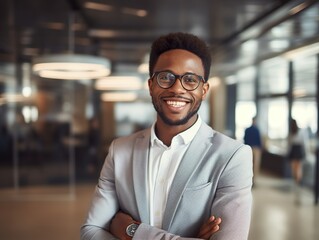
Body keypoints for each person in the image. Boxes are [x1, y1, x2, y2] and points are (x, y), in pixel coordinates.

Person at [81, 32, 253, 240]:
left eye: (190, 80)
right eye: (166, 78)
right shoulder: (120, 150)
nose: (177, 89)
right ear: (151, 85)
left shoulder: (232, 156)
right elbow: (90, 231)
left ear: (204, 90)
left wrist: (132, 231)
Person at [287, 119, 307, 204]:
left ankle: (296, 184)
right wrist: (305, 153)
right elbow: (304, 143)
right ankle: (298, 184)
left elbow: (289, 145)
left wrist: (288, 155)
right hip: (298, 152)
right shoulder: (300, 132)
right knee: (298, 170)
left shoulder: (291, 133)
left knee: (294, 170)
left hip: (293, 152)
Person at [244, 117, 262, 185]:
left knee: (249, 164)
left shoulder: (247, 130)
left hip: (249, 148)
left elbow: (245, 140)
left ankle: (249, 180)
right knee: (255, 165)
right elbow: (259, 140)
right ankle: (254, 180)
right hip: (256, 149)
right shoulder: (257, 130)